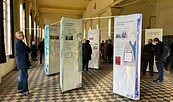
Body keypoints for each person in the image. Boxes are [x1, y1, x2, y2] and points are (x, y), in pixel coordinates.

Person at [15, 31, 31, 96]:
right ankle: (25, 91)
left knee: (21, 76)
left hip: (20, 62)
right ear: (19, 36)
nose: (23, 36)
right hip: (23, 62)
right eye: (22, 35)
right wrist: (29, 49)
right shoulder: (20, 43)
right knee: (24, 76)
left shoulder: (18, 42)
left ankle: (20, 88)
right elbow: (28, 49)